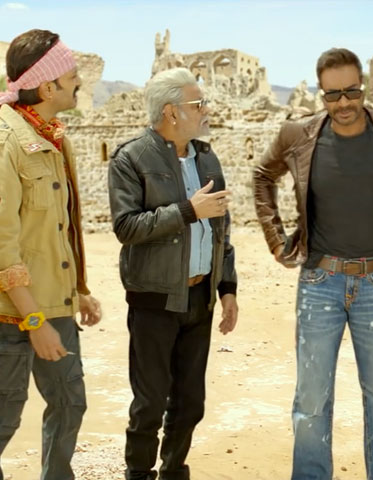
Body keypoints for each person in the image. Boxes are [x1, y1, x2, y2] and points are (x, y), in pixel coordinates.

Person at [253, 47, 373, 480]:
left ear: (363, 88)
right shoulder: (297, 134)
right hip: (319, 282)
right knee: (311, 402)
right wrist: (276, 241)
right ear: (321, 95)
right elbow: (263, 176)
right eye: (332, 95)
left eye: (351, 92)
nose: (343, 103)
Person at [107, 67, 238, 480]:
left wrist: (227, 287)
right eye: (198, 104)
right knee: (149, 403)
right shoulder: (131, 158)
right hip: (155, 300)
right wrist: (187, 211)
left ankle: (173, 471)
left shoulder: (207, 157)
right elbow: (126, 227)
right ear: (171, 112)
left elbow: (221, 230)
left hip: (199, 299)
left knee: (190, 402)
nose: (206, 110)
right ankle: (138, 474)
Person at [0, 29, 102, 480]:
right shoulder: (7, 142)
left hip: (55, 306)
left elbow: (60, 228)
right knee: (4, 416)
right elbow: (2, 245)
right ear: (47, 87)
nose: (79, 81)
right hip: (15, 314)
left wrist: (78, 289)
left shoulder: (55, 138)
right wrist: (34, 321)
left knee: (69, 403)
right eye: (71, 74)